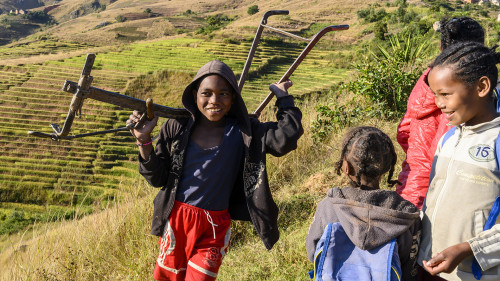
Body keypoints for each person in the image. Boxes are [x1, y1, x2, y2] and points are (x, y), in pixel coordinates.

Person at [127, 60, 303, 281]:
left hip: (214, 226)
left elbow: (286, 138)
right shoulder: (177, 128)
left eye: (223, 94)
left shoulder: (244, 132)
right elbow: (157, 178)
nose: (214, 101)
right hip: (177, 221)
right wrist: (143, 141)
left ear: (233, 98)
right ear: (194, 95)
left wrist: (283, 98)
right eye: (206, 93)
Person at [418, 42, 500, 281]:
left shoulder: (497, 141)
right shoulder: (449, 137)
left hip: (475, 274)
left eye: (445, 94)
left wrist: (470, 249)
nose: (438, 103)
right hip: (430, 265)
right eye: (435, 94)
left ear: (482, 87)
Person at [306, 126, 422, 281]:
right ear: (387, 168)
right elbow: (410, 269)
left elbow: (313, 252)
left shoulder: (329, 207)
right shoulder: (406, 216)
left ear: (345, 167)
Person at [396, 17, 485, 209]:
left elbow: (403, 132)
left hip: (411, 187)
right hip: (447, 192)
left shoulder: (427, 80)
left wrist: (418, 156)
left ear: (441, 46)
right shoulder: (475, 96)